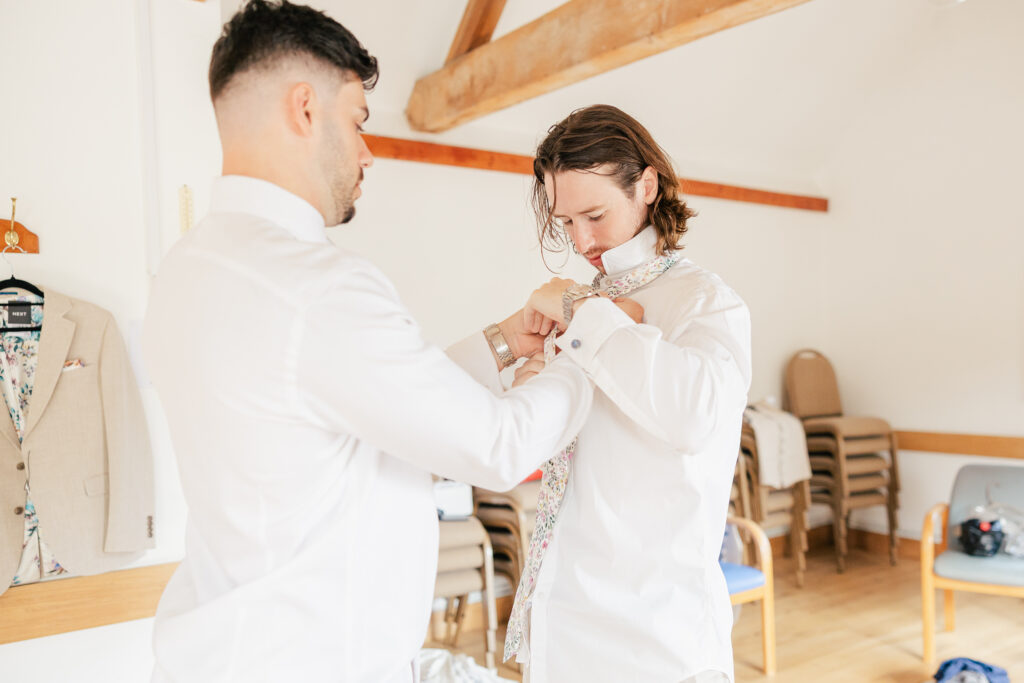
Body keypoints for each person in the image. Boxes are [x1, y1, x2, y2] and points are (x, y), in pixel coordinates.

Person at [141, 3, 640, 681]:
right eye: (358, 121)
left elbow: (364, 409)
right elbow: (496, 446)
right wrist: (588, 346)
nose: (368, 150)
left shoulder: (187, 267)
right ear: (305, 109)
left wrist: (501, 343)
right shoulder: (317, 287)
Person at [464, 105, 752, 682]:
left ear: (646, 186)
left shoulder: (704, 302)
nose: (582, 241)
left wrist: (585, 314)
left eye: (594, 215)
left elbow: (694, 416)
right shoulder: (578, 304)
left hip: (654, 633)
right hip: (565, 619)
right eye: (566, 222)